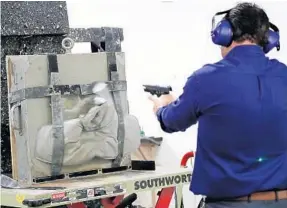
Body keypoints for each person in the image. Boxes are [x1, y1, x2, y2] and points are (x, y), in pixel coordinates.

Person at [149, 2, 287, 208]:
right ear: (267, 39)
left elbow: (172, 121)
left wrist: (162, 106)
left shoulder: (205, 79)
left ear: (224, 34)